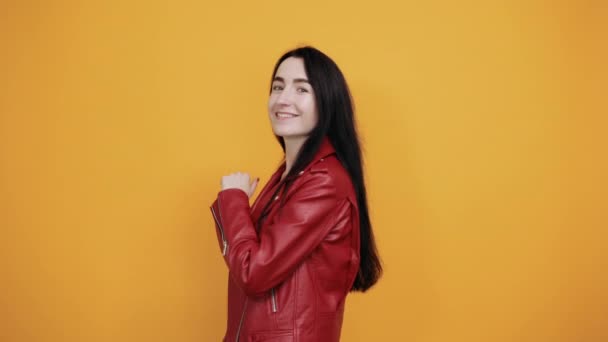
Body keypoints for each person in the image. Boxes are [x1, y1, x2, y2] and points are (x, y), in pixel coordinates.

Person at [209, 46, 382, 342]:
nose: (283, 98)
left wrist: (234, 200)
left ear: (327, 102)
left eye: (302, 89)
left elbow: (254, 272)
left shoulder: (324, 182)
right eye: (278, 86)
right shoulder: (291, 177)